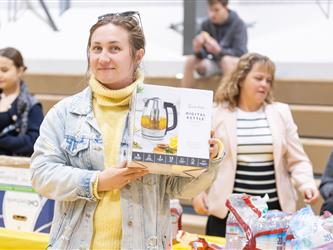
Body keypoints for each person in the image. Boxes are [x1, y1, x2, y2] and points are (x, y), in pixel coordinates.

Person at [30, 11, 223, 249]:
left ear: (138, 55)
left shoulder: (166, 109)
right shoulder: (65, 113)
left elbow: (180, 189)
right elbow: (41, 175)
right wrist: (97, 181)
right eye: (96, 48)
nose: (103, 57)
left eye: (114, 49)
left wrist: (208, 158)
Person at [192, 52, 319, 237]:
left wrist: (307, 184)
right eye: (258, 78)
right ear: (241, 79)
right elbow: (202, 156)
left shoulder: (281, 112)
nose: (264, 84)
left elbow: (298, 160)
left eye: (268, 80)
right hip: (227, 214)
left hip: (274, 215)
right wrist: (198, 192)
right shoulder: (217, 113)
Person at [181, 0, 248, 88]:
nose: (212, 14)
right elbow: (203, 54)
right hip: (215, 62)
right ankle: (186, 96)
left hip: (234, 64)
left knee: (226, 60)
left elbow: (241, 53)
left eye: (216, 10)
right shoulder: (206, 24)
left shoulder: (238, 24)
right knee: (190, 60)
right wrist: (197, 50)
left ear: (226, 8)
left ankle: (229, 98)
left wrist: (219, 50)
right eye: (210, 10)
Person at [0, 47, 43, 156]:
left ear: (20, 71)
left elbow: (34, 141)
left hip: (15, 164)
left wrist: (3, 141)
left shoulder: (32, 104)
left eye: (4, 70)